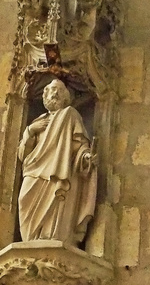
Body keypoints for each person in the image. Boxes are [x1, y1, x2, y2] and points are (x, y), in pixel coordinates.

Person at [17, 78, 97, 245]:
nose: (53, 93)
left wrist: (86, 158)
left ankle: (52, 237)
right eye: (50, 90)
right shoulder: (37, 121)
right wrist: (31, 131)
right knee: (23, 200)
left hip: (58, 172)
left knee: (57, 198)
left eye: (58, 91)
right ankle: (31, 240)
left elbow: (79, 147)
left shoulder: (70, 115)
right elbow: (23, 154)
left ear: (66, 97)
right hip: (34, 172)